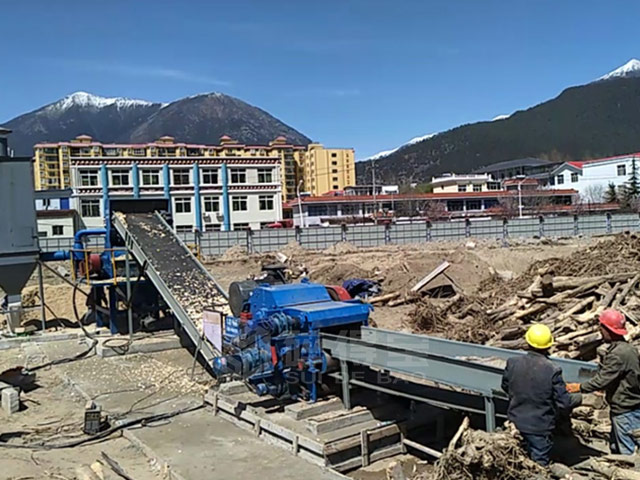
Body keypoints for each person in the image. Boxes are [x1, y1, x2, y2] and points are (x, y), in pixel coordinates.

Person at [566, 309, 640, 455]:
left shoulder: (618, 354)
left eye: (601, 327)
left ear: (608, 329)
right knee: (616, 448)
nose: (600, 331)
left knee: (629, 453)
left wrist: (579, 387)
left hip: (625, 409)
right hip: (628, 406)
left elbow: (602, 380)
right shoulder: (627, 349)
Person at [502, 323, 576, 466]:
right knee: (539, 465)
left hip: (515, 422)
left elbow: (505, 386)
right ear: (548, 346)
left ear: (527, 342)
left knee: (515, 461)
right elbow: (564, 402)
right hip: (539, 427)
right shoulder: (552, 369)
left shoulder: (513, 363)